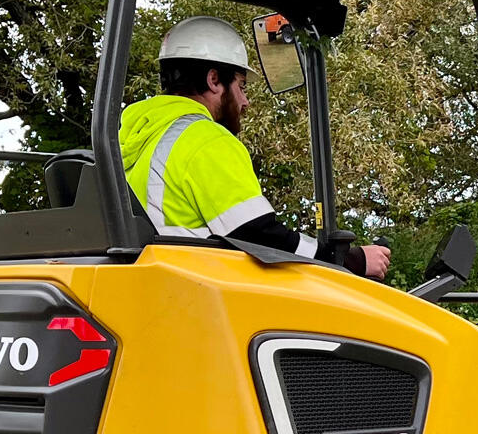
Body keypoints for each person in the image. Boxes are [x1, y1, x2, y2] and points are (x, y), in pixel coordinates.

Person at [119, 16, 389, 278]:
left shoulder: (135, 139)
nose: (245, 102)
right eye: (241, 86)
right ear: (214, 80)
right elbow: (260, 236)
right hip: (200, 303)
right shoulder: (205, 139)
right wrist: (346, 261)